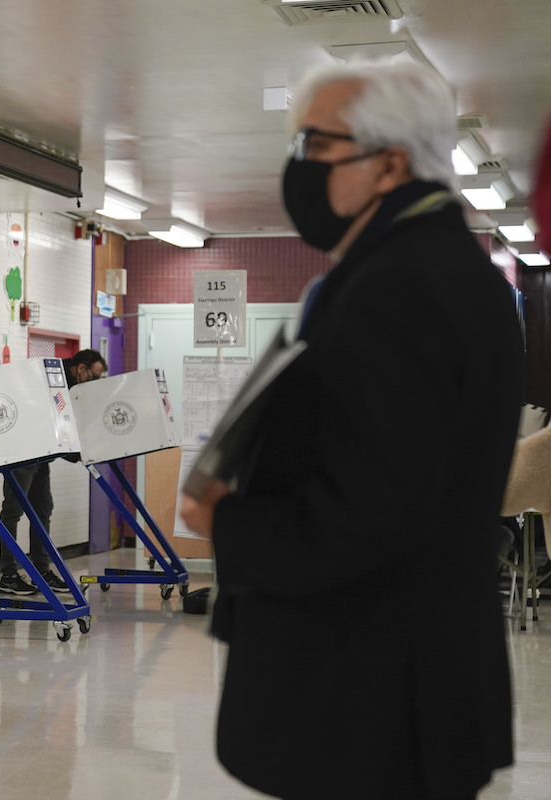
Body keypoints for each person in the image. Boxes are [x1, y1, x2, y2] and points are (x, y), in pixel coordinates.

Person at [179, 61, 522, 800]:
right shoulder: (462, 276)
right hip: (412, 679)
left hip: (368, 695)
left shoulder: (396, 288)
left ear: (389, 163)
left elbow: (373, 513)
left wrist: (227, 521)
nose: (298, 166)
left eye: (316, 145)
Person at [0, 349, 107, 596]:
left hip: (41, 456)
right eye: (94, 376)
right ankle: (8, 575)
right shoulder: (50, 378)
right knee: (12, 511)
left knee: (43, 509)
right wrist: (74, 455)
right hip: (22, 454)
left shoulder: (70, 387)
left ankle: (41, 570)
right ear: (81, 368)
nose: (94, 382)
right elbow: (46, 423)